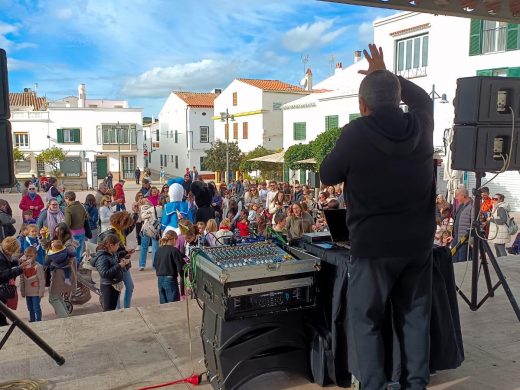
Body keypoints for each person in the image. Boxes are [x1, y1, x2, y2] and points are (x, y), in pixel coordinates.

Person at [319, 44, 435, 390]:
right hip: (417, 242)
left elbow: (327, 174)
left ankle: (374, 385)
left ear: (362, 106)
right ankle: (415, 384)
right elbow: (422, 101)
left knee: (366, 320)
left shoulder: (356, 132)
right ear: (398, 99)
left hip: (372, 246)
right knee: (415, 317)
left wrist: (379, 79)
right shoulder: (421, 123)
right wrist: (387, 73)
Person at [98, 212, 136, 309]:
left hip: (123, 263)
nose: (127, 227)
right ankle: (118, 310)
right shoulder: (110, 233)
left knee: (129, 287)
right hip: (117, 265)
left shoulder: (119, 230)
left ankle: (127, 308)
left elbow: (129, 229)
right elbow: (111, 252)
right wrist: (125, 251)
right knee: (117, 290)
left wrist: (135, 215)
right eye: (126, 225)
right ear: (120, 223)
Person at [41, 222, 78, 318]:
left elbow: (70, 259)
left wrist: (53, 260)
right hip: (57, 273)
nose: (57, 235)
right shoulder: (57, 240)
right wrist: (44, 237)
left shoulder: (68, 243)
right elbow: (46, 246)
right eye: (56, 232)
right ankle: (66, 317)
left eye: (59, 232)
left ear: (65, 232)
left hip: (62, 274)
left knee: (53, 298)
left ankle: (65, 318)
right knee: (57, 297)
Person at [91, 234, 128, 312]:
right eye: (117, 245)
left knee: (112, 309)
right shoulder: (102, 257)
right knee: (108, 311)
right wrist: (119, 265)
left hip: (114, 285)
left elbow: (114, 263)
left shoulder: (112, 253)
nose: (118, 247)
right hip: (108, 287)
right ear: (111, 245)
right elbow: (104, 273)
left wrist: (121, 262)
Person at [0, 237, 30, 326]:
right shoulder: (1, 258)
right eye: (12, 252)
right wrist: (20, 268)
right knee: (2, 305)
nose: (13, 254)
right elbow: (3, 274)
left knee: (2, 306)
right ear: (7, 250)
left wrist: (17, 262)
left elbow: (8, 262)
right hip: (1, 286)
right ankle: (2, 324)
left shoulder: (3, 253)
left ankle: (3, 322)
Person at [154, 230, 184, 304]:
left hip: (160, 278)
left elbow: (155, 264)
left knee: (163, 303)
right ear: (174, 239)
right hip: (170, 279)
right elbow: (180, 266)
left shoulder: (159, 250)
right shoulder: (174, 250)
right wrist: (184, 276)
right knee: (173, 303)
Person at [19, 246, 45, 322]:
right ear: (24, 255)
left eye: (31, 256)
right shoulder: (23, 267)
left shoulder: (39, 266)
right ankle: (32, 320)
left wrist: (41, 292)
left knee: (36, 307)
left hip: (36, 292)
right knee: (30, 308)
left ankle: (39, 320)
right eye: (27, 256)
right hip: (28, 292)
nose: (28, 258)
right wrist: (22, 291)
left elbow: (42, 280)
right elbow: (22, 280)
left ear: (35, 255)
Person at [64, 191, 88, 263]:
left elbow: (68, 224)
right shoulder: (81, 206)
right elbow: (86, 217)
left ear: (67, 198)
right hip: (82, 232)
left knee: (72, 254)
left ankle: (74, 270)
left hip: (73, 234)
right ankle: (77, 268)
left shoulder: (68, 209)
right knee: (79, 252)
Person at [138, 198, 161, 271]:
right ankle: (154, 266)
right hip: (154, 230)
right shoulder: (148, 207)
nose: (148, 200)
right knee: (154, 247)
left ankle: (142, 265)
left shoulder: (146, 208)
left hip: (146, 229)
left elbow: (143, 217)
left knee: (144, 247)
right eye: (146, 200)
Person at [452, 187, 473, 262]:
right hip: (457, 236)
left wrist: (471, 240)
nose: (456, 198)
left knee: (462, 260)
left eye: (457, 195)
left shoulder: (472, 206)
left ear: (463, 196)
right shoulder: (461, 206)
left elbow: (474, 224)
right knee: (454, 258)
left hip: (465, 239)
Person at [487, 193, 511, 257]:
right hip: (499, 232)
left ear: (501, 200)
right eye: (493, 198)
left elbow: (503, 220)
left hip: (500, 233)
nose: (494, 200)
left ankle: (504, 264)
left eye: (496, 199)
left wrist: (491, 219)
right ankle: (500, 263)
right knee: (497, 248)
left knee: (501, 249)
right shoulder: (497, 207)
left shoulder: (501, 208)